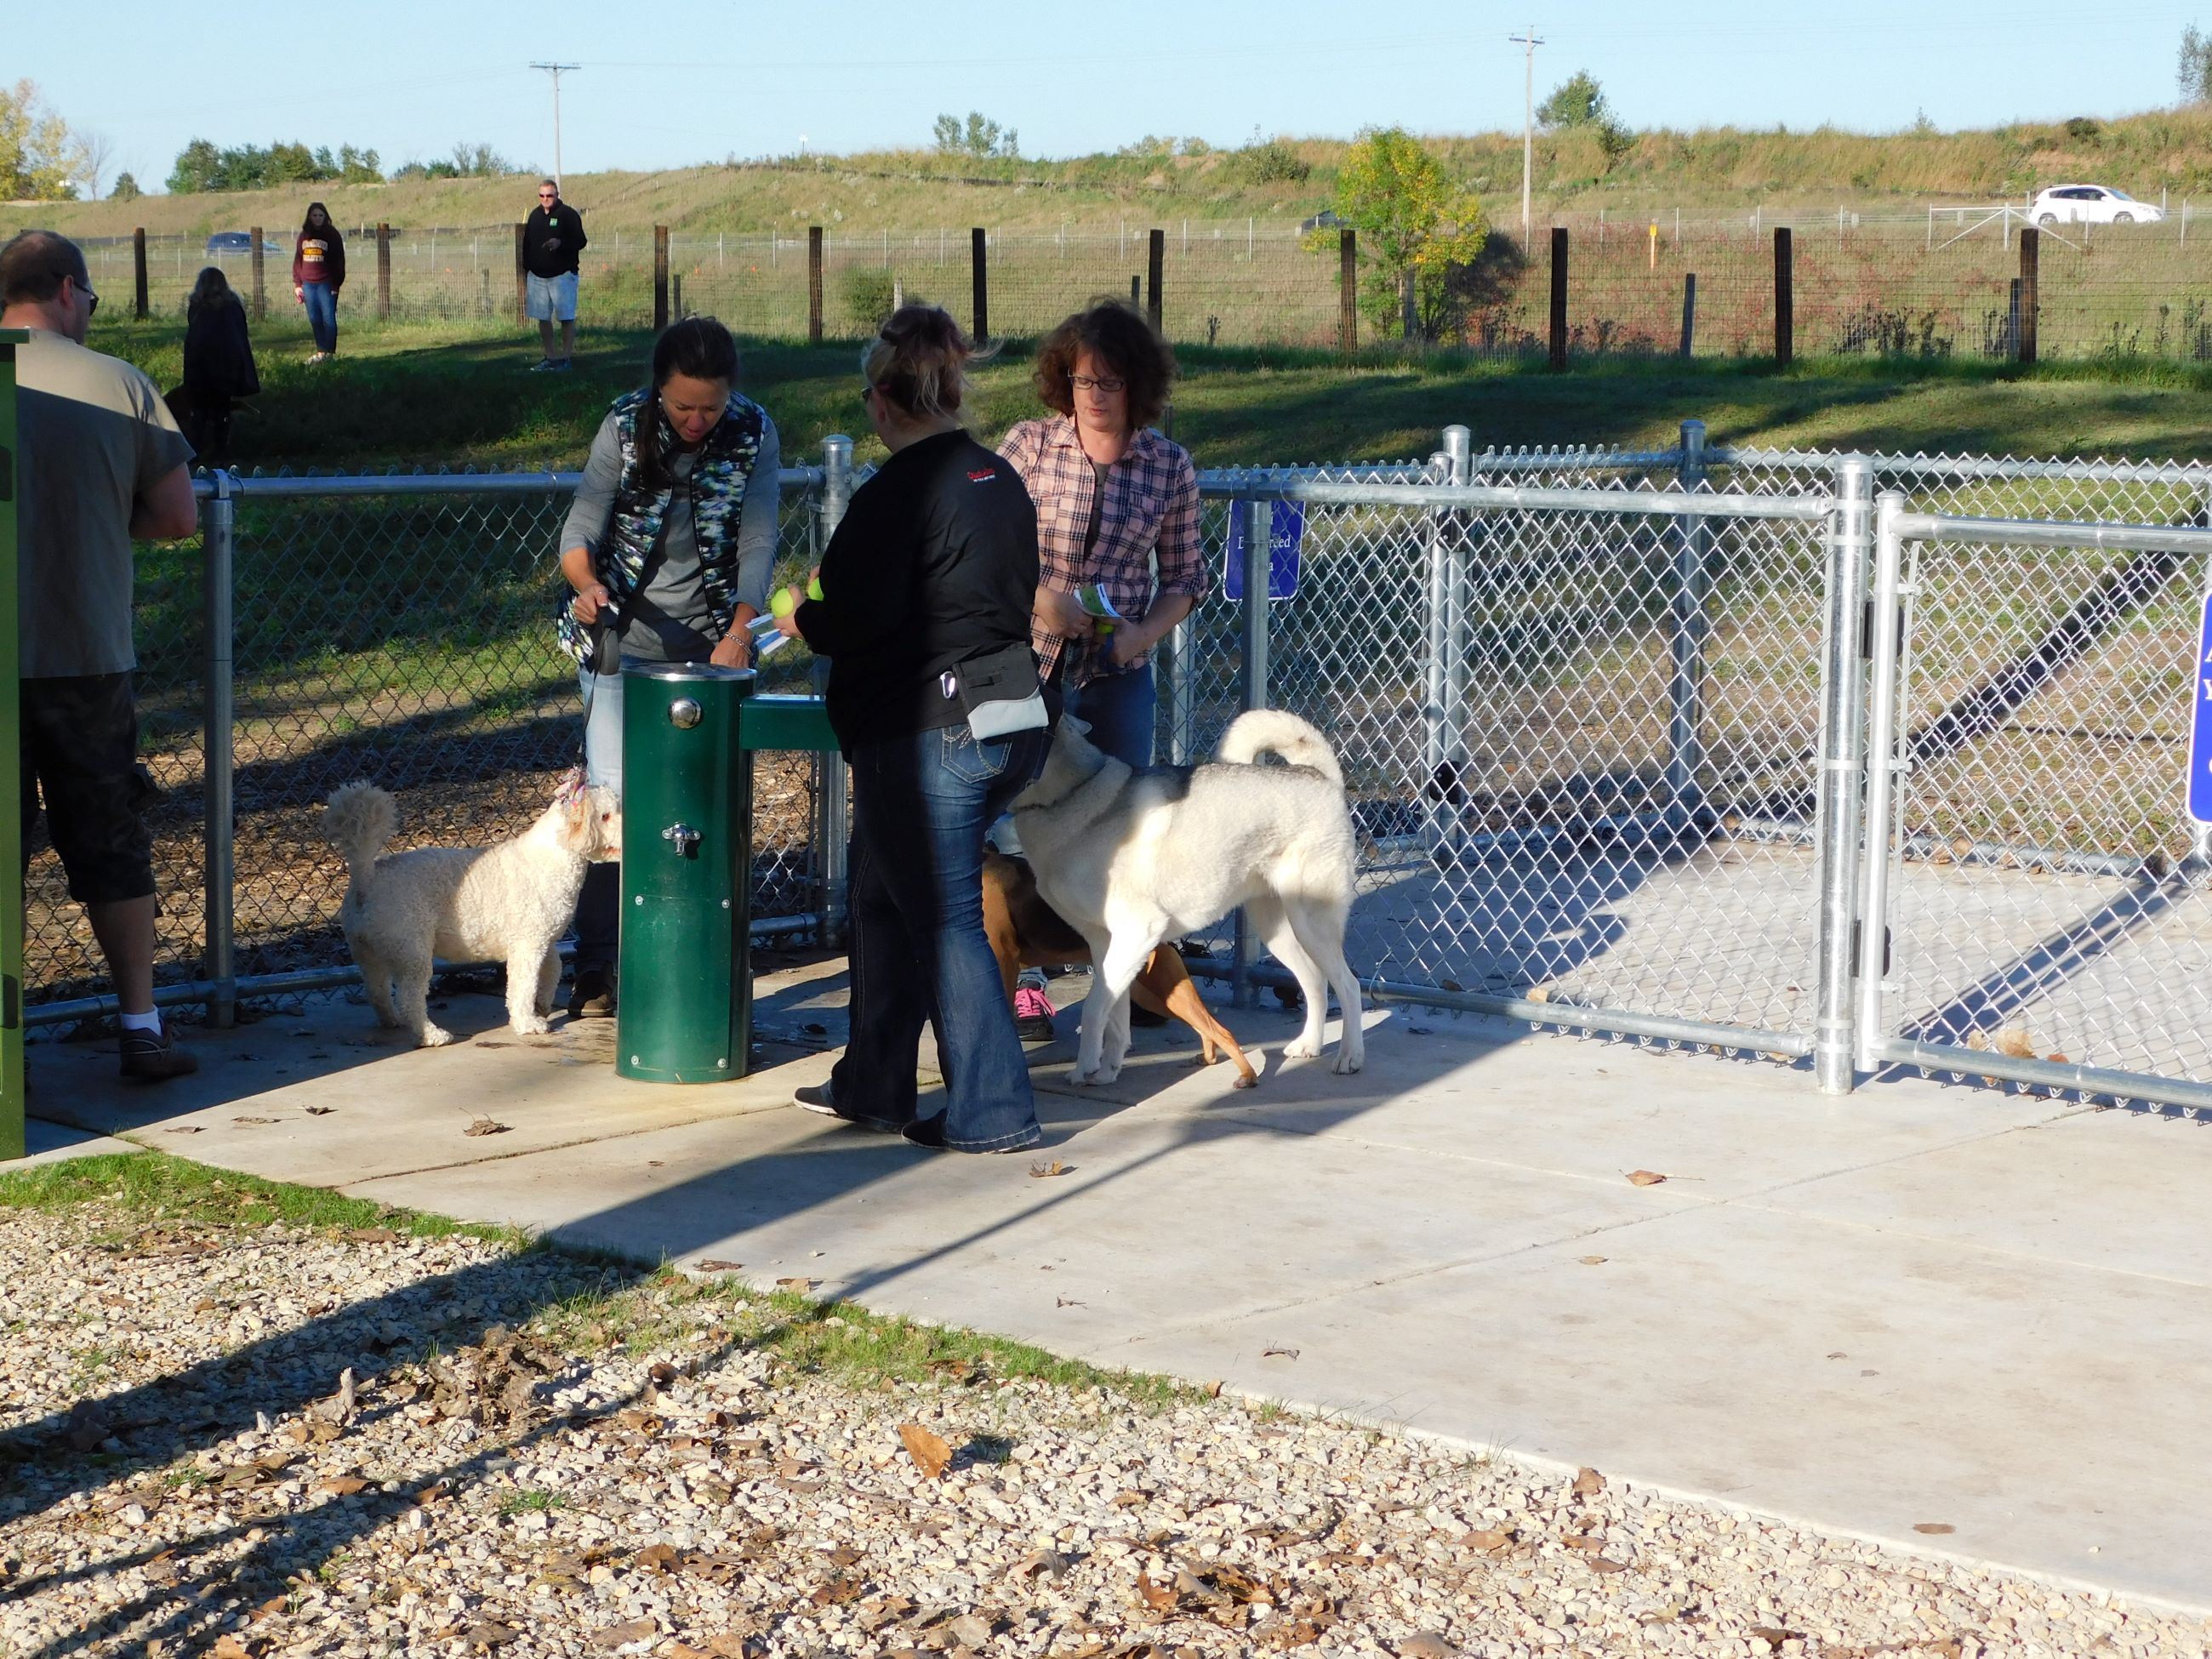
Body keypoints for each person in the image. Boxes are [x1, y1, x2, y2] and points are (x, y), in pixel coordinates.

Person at [772, 305, 1047, 1154]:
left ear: (885, 400)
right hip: (1010, 705)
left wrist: (798, 610)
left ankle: (994, 1109)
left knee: (944, 915)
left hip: (927, 725)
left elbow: (852, 618)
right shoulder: (994, 478)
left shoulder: (895, 492)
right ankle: (875, 1080)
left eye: (865, 398)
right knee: (882, 894)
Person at [0, 231, 202, 1080]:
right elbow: (177, 517)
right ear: (66, 289)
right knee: (109, 843)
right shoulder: (118, 384)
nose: (89, 311)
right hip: (84, 650)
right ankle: (140, 1024)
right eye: (89, 297)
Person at [556, 316, 780, 1018]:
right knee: (613, 803)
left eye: (709, 407)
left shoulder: (753, 431)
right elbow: (580, 527)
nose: (695, 419)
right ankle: (597, 969)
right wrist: (587, 586)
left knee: (706, 803)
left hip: (712, 645)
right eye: (682, 405)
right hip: (619, 644)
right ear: (659, 390)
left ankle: (700, 954)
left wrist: (741, 632)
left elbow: (758, 536)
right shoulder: (623, 426)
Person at [995, 299, 1206, 1038]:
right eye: (1084, 381)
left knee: (1126, 826)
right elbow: (981, 551)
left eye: (1111, 382)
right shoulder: (1028, 447)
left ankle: (1135, 979)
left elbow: (1184, 579)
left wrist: (1141, 633)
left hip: (1113, 671)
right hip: (1024, 666)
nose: (1096, 396)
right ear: (1064, 381)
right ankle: (1022, 981)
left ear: (1137, 387)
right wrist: (1043, 600)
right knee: (1011, 825)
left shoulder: (1167, 466)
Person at [180, 265, 259, 469]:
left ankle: (195, 450)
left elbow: (194, 339)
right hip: (225, 369)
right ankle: (220, 450)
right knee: (222, 410)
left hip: (200, 370)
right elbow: (239, 336)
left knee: (199, 411)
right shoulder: (232, 306)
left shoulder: (197, 307)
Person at [524, 180, 588, 372]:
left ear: (557, 195)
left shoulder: (568, 215)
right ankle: (550, 357)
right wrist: (527, 267)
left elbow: (581, 241)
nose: (545, 199)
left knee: (566, 317)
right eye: (542, 195)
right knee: (543, 318)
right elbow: (526, 244)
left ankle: (566, 358)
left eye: (549, 195)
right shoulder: (534, 216)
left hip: (562, 275)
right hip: (537, 276)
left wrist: (561, 243)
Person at [291, 202, 345, 362]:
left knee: (328, 318)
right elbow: (298, 260)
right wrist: (297, 284)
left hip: (326, 284)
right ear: (309, 217)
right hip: (308, 284)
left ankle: (330, 354)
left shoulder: (332, 235)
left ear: (325, 217)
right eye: (314, 215)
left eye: (321, 215)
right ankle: (321, 352)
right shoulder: (304, 235)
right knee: (315, 319)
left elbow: (339, 261)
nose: (317, 218)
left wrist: (336, 285)